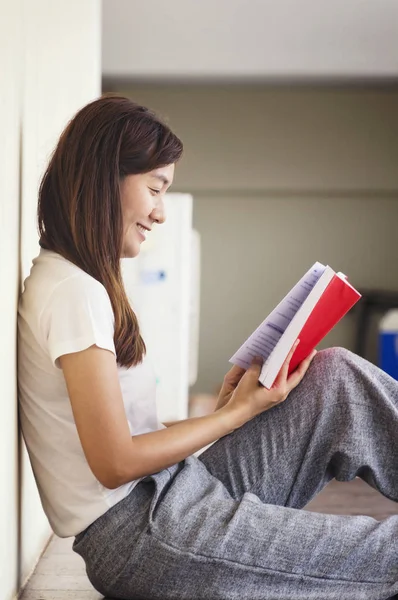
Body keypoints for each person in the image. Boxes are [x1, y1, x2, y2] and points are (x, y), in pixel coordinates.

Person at [18, 95, 398, 600]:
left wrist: (225, 410)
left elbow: (127, 439)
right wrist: (235, 416)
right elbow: (113, 463)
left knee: (334, 379)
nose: (160, 212)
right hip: (145, 539)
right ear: (104, 177)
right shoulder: (72, 292)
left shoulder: (77, 281)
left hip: (175, 494)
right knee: (384, 553)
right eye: (155, 188)